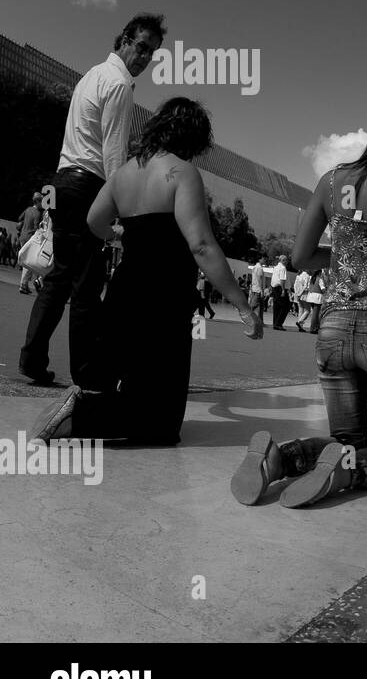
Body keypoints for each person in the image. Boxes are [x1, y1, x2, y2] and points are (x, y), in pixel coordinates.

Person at [230, 107, 367, 508]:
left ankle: (279, 459)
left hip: (334, 327)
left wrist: (345, 258)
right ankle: (348, 472)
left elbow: (301, 256)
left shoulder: (330, 182)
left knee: (346, 440)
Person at [30, 98, 262, 444]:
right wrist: (243, 307)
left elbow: (94, 221)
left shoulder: (124, 172)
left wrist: (118, 233)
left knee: (124, 385)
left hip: (124, 290)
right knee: (162, 425)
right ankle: (78, 417)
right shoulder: (182, 173)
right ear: (193, 138)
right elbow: (201, 245)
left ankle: (83, 409)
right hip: (165, 298)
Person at [20, 14, 164, 385]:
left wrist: (51, 196)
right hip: (88, 184)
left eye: (152, 52)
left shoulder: (91, 76)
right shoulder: (120, 84)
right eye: (142, 47)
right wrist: (121, 211)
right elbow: (114, 153)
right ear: (124, 41)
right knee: (86, 284)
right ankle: (87, 373)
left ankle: (33, 358)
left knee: (59, 276)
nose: (146, 57)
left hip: (64, 180)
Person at [16, 192, 44, 294]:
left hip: (22, 236)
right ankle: (23, 285)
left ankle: (25, 285)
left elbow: (19, 218)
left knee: (26, 262)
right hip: (29, 237)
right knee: (28, 263)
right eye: (41, 201)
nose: (42, 203)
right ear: (37, 201)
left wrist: (25, 223)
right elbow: (37, 228)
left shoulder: (28, 209)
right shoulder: (37, 213)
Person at [270, 254, 290, 330]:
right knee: (286, 306)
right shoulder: (283, 268)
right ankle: (278, 323)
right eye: (286, 260)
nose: (287, 262)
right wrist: (283, 290)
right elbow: (282, 280)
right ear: (283, 261)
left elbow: (274, 278)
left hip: (274, 287)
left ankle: (275, 323)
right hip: (279, 288)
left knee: (277, 306)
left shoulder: (276, 267)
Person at [247, 256, 267, 325]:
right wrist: (262, 290)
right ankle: (247, 317)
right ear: (259, 259)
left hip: (255, 288)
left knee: (261, 306)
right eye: (263, 259)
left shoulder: (255, 267)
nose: (264, 260)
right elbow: (260, 280)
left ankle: (260, 322)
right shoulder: (259, 268)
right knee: (254, 305)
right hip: (258, 289)